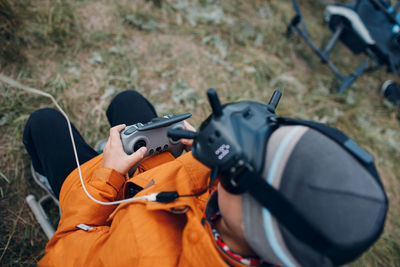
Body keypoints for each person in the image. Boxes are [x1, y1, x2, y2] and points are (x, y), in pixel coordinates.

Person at [23, 90, 387, 267]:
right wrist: (200, 157)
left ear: (250, 214)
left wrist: (109, 175)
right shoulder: (278, 232)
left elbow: (61, 254)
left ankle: (49, 179)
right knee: (128, 103)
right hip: (165, 189)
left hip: (107, 213)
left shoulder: (139, 256)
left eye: (234, 166)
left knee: (45, 123)